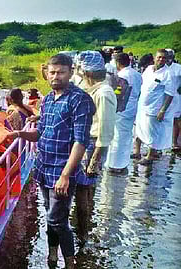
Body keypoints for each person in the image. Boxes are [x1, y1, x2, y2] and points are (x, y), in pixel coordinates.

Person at [12, 54, 95, 269]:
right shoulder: (48, 99)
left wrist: (66, 175)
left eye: (61, 72)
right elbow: (40, 133)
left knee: (57, 219)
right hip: (43, 167)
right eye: (52, 72)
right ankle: (51, 256)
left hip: (62, 170)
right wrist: (20, 134)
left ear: (71, 72)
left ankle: (70, 263)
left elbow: (81, 141)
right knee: (51, 217)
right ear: (46, 73)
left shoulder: (80, 100)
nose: (56, 76)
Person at [76, 51, 117, 245]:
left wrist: (94, 160)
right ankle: (84, 226)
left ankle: (83, 233)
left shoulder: (104, 92)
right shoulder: (90, 86)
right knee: (86, 188)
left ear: (88, 73)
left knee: (84, 188)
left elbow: (106, 129)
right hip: (85, 142)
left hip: (93, 145)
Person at [133, 49, 176, 165]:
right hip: (142, 105)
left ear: (167, 60)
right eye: (159, 57)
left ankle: (150, 155)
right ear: (155, 58)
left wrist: (162, 110)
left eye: (164, 58)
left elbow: (170, 94)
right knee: (139, 129)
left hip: (154, 108)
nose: (161, 59)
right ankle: (136, 151)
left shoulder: (168, 74)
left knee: (152, 132)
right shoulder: (148, 69)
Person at [106, 53, 143, 175]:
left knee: (117, 137)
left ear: (117, 63)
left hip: (121, 109)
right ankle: (123, 163)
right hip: (132, 109)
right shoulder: (137, 74)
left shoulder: (121, 76)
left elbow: (118, 94)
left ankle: (114, 164)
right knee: (126, 136)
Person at [166, 49, 181, 150]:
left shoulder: (178, 68)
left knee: (176, 120)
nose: (169, 58)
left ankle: (174, 143)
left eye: (171, 55)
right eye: (167, 56)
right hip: (163, 98)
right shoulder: (161, 68)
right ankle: (158, 146)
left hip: (175, 97)